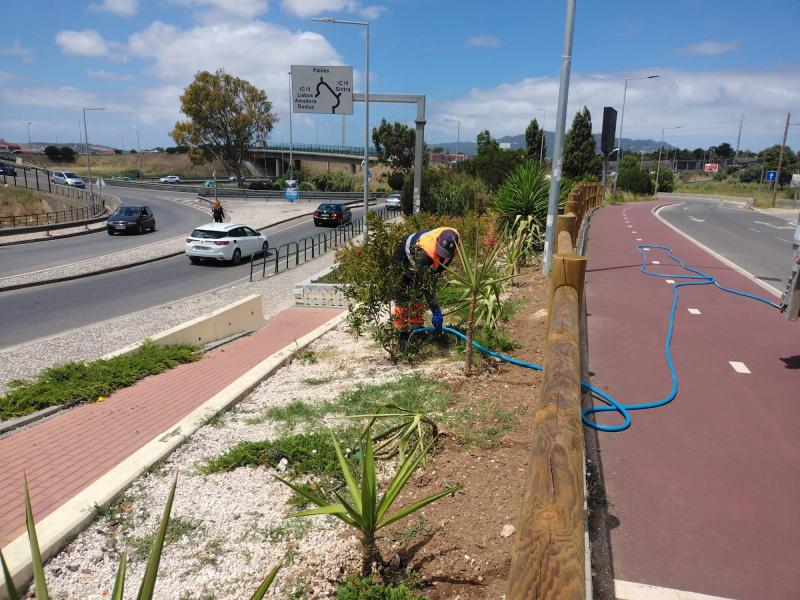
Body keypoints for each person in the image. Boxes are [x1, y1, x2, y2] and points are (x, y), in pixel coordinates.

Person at [393, 226, 460, 347]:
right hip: (404, 253)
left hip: (423, 257)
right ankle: (402, 332)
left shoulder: (454, 239)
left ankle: (417, 327)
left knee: (417, 293)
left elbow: (441, 266)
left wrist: (436, 273)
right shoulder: (424, 253)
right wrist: (435, 310)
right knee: (403, 292)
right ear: (437, 242)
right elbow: (426, 285)